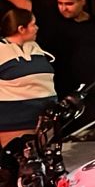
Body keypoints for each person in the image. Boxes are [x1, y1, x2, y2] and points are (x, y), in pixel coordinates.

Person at [0, 0, 95, 117]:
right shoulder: (52, 20)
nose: (64, 8)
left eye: (69, 4)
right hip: (71, 93)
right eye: (60, 3)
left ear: (82, 1)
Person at [0, 9, 56, 146]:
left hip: (44, 119)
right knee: (19, 157)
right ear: (21, 29)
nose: (37, 28)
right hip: (15, 122)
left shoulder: (35, 47)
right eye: (33, 24)